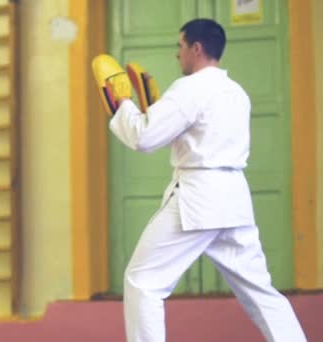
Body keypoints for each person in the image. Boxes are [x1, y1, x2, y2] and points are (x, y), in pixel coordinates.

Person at [108, 19, 306, 341]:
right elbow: (195, 133)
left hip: (199, 199)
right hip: (234, 199)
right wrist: (156, 111)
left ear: (196, 49)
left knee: (143, 281)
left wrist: (122, 106)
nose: (177, 55)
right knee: (260, 291)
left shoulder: (190, 88)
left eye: (180, 47)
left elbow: (144, 138)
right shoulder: (236, 92)